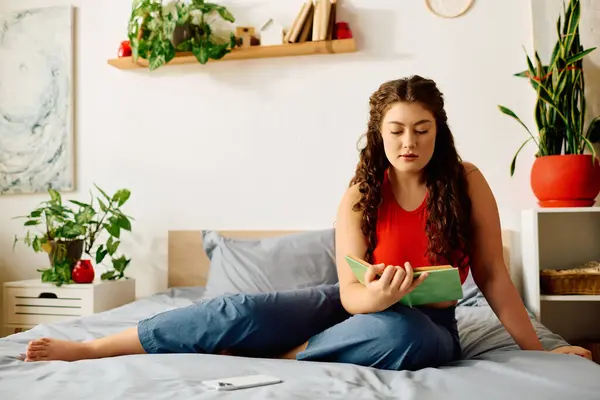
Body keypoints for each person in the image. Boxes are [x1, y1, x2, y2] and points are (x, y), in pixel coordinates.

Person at [24, 75, 591, 367]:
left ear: (438, 129)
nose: (408, 141)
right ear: (378, 134)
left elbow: (491, 275)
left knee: (410, 336)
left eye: (421, 128)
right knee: (239, 308)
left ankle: (291, 354)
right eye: (396, 130)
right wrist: (378, 291)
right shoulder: (360, 194)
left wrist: (536, 353)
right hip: (356, 303)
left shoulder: (466, 181)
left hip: (425, 321)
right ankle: (98, 349)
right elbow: (348, 293)